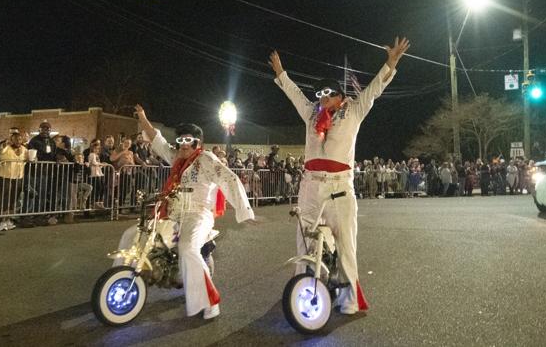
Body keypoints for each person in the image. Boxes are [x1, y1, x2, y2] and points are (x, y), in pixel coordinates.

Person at [269, 36, 410, 315]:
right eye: (319, 95)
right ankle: (303, 292)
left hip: (340, 189)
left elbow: (374, 89)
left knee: (345, 244)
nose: (322, 99)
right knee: (305, 241)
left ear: (339, 95)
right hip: (311, 187)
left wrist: (391, 63)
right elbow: (295, 94)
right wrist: (281, 73)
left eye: (327, 94)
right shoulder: (311, 113)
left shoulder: (354, 110)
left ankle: (349, 300)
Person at [134, 103, 254, 320]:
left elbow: (230, 179)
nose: (183, 144)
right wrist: (142, 117)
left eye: (188, 140)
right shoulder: (177, 158)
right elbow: (157, 139)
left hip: (198, 214)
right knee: (135, 235)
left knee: (187, 247)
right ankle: (130, 282)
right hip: (173, 213)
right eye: (180, 140)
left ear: (198, 142)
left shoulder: (206, 159)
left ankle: (210, 302)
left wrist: (245, 212)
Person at [0, 132, 29, 231]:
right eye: (15, 139)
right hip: (5, 176)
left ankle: (8, 219)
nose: (18, 141)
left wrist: (32, 158)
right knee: (5, 198)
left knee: (13, 199)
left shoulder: (24, 149)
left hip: (18, 177)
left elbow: (28, 159)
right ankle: (2, 220)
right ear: (11, 140)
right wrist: (5, 144)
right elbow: (0, 152)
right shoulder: (6, 147)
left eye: (19, 139)